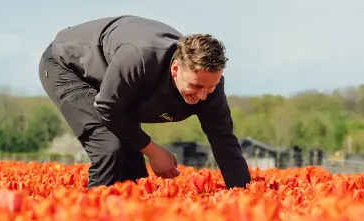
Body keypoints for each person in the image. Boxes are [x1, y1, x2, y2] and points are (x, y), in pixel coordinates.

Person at [37, 15, 251, 189]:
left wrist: (243, 196)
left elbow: (224, 141)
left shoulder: (208, 85)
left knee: (134, 174)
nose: (203, 95)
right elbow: (108, 108)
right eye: (196, 86)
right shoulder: (140, 59)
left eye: (211, 87)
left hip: (117, 86)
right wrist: (154, 151)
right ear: (175, 69)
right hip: (68, 67)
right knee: (110, 148)